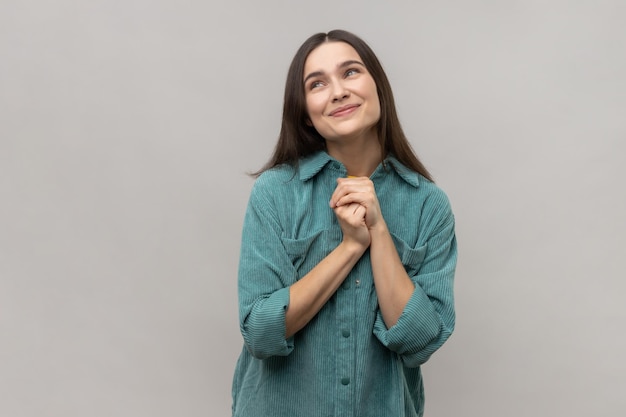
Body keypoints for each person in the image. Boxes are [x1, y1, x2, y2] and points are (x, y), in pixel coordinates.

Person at [231, 29, 457, 417]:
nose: (337, 91)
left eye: (350, 72)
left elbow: (420, 341)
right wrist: (351, 247)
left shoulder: (428, 206)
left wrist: (379, 232)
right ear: (304, 110)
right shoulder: (276, 193)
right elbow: (261, 333)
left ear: (377, 86)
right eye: (317, 83)